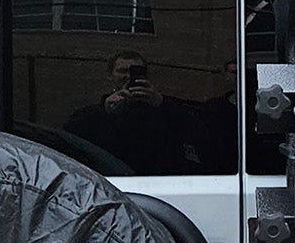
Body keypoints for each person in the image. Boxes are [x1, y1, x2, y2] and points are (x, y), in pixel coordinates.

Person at [62, 51, 201, 174]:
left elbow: (194, 130)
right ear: (111, 75)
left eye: (134, 71)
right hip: (110, 183)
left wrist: (161, 103)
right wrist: (104, 111)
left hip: (156, 183)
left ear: (145, 75)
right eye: (122, 71)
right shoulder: (93, 113)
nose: (128, 76)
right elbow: (71, 139)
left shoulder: (161, 106)